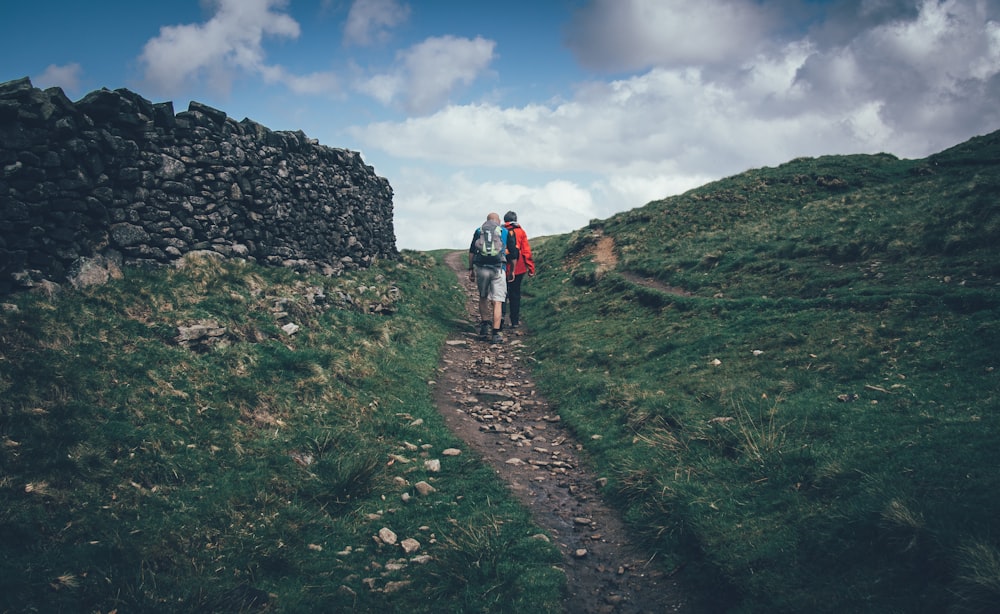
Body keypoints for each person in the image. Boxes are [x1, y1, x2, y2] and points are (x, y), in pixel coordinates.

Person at [469, 212, 518, 343]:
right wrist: (511, 271)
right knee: (498, 301)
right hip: (498, 268)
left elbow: (472, 252)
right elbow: (513, 254)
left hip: (482, 269)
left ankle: (485, 326)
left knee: (483, 297)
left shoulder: (479, 230)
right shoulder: (505, 231)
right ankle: (496, 334)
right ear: (499, 220)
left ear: (487, 221)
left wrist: (471, 269)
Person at [501, 211, 535, 328]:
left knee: (502, 294)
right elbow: (526, 251)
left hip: (503, 267)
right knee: (515, 293)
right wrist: (530, 268)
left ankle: (500, 319)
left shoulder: (500, 231)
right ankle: (514, 321)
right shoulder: (521, 232)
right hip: (518, 268)